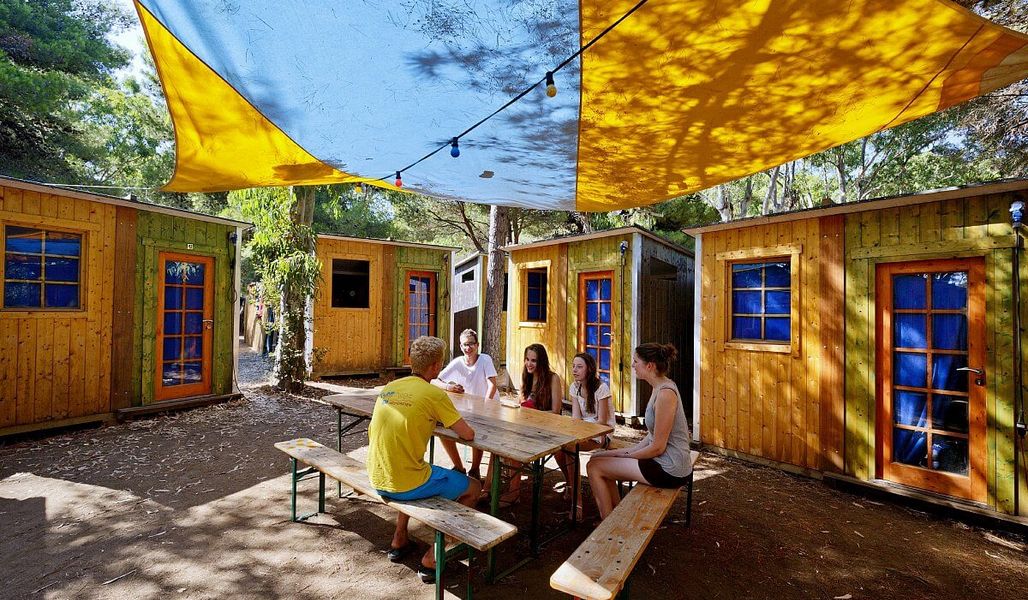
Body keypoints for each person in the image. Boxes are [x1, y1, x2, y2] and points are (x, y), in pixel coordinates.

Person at [366, 336, 482, 584]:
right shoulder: (433, 395)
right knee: (474, 487)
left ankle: (399, 538)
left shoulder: (390, 387)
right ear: (436, 366)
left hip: (377, 476)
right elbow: (468, 434)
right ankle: (434, 556)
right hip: (405, 483)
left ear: (412, 361)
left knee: (414, 466)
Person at [586, 343, 691, 519]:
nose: (633, 365)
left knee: (594, 467)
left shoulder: (665, 394)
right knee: (600, 460)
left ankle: (608, 524)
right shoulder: (659, 386)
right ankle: (615, 518)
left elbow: (658, 447)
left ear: (649, 366)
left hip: (670, 468)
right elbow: (652, 435)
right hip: (664, 461)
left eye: (636, 361)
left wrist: (627, 456)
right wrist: (620, 453)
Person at [493, 343, 564, 504]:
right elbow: (521, 405)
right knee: (498, 442)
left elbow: (556, 412)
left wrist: (532, 416)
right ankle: (488, 489)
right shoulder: (526, 377)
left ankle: (513, 493)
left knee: (514, 444)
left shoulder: (553, 378)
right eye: (527, 359)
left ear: (542, 362)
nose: (529, 364)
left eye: (534, 360)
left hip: (547, 429)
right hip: (525, 427)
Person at [431, 329, 498, 481]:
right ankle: (459, 467)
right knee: (444, 428)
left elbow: (492, 385)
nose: (468, 348)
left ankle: (475, 469)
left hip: (488, 408)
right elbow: (434, 380)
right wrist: (449, 387)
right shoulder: (458, 362)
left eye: (471, 344)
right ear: (460, 346)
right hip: (468, 409)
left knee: (477, 434)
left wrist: (485, 406)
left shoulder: (485, 359)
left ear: (477, 345)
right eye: (465, 345)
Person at [554, 352, 615, 493]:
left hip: (602, 433)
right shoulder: (575, 387)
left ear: (589, 369)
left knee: (570, 447)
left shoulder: (601, 388)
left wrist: (582, 430)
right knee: (560, 447)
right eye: (573, 366)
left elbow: (602, 421)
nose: (574, 370)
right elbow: (576, 418)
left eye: (579, 367)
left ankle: (576, 497)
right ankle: (572, 486)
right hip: (582, 430)